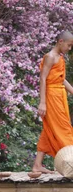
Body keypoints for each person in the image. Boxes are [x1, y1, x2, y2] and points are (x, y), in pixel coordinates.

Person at [32, 31, 73, 172]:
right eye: (69, 45)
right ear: (60, 41)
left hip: (59, 95)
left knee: (49, 128)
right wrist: (42, 102)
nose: (69, 48)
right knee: (64, 129)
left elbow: (61, 79)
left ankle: (37, 165)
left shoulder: (59, 57)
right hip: (51, 97)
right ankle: (71, 162)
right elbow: (43, 78)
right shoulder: (50, 57)